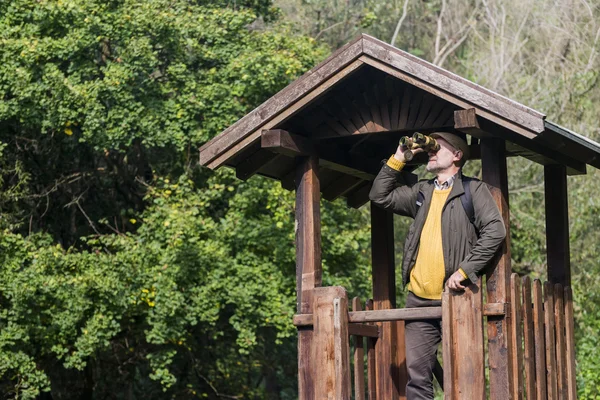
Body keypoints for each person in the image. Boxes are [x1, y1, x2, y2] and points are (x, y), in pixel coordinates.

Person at [368, 131, 506, 400]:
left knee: (464, 372)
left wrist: (466, 270)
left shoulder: (473, 190)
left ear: (457, 155)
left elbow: (495, 231)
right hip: (418, 299)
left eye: (437, 147)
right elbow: (379, 196)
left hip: (457, 298)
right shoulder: (422, 191)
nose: (430, 151)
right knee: (417, 376)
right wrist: (399, 157)